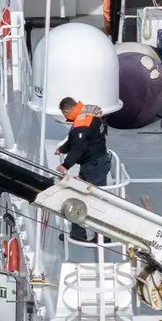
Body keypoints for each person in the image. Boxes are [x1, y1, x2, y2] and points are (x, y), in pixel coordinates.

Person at [54, 96, 111, 242]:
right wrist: (62, 149)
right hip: (95, 163)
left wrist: (65, 165)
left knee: (91, 201)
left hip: (93, 166)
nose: (65, 117)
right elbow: (74, 140)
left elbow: (79, 147)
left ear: (69, 110)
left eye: (65, 114)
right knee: (85, 198)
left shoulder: (82, 123)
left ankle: (100, 237)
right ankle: (80, 234)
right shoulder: (88, 115)